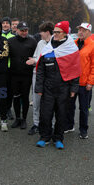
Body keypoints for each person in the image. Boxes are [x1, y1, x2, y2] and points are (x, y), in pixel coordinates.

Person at [35, 21, 80, 149]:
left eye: (57, 32)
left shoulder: (71, 49)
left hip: (64, 88)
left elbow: (75, 70)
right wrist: (39, 87)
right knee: (45, 114)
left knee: (61, 115)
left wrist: (73, 88)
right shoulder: (48, 47)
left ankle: (58, 138)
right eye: (54, 32)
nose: (54, 34)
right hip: (48, 88)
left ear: (65, 33)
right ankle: (45, 137)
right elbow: (40, 70)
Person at [66, 23, 94, 139]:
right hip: (72, 81)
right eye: (79, 30)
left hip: (84, 83)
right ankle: (69, 125)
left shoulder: (92, 46)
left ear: (89, 32)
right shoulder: (74, 43)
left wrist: (90, 82)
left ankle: (83, 130)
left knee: (83, 108)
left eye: (84, 30)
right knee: (69, 105)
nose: (81, 32)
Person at [26, 21, 54, 135]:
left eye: (41, 31)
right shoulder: (40, 43)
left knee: (49, 102)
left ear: (47, 32)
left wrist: (35, 61)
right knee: (36, 101)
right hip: (36, 75)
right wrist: (33, 60)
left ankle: (50, 126)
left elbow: (50, 61)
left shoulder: (55, 44)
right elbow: (36, 57)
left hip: (50, 77)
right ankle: (36, 124)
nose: (40, 34)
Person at [8, 21, 37, 129]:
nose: (25, 32)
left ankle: (24, 119)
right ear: (17, 30)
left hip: (27, 75)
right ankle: (17, 118)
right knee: (15, 97)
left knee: (25, 97)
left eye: (26, 30)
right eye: (22, 30)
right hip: (14, 74)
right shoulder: (10, 41)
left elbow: (37, 56)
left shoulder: (33, 41)